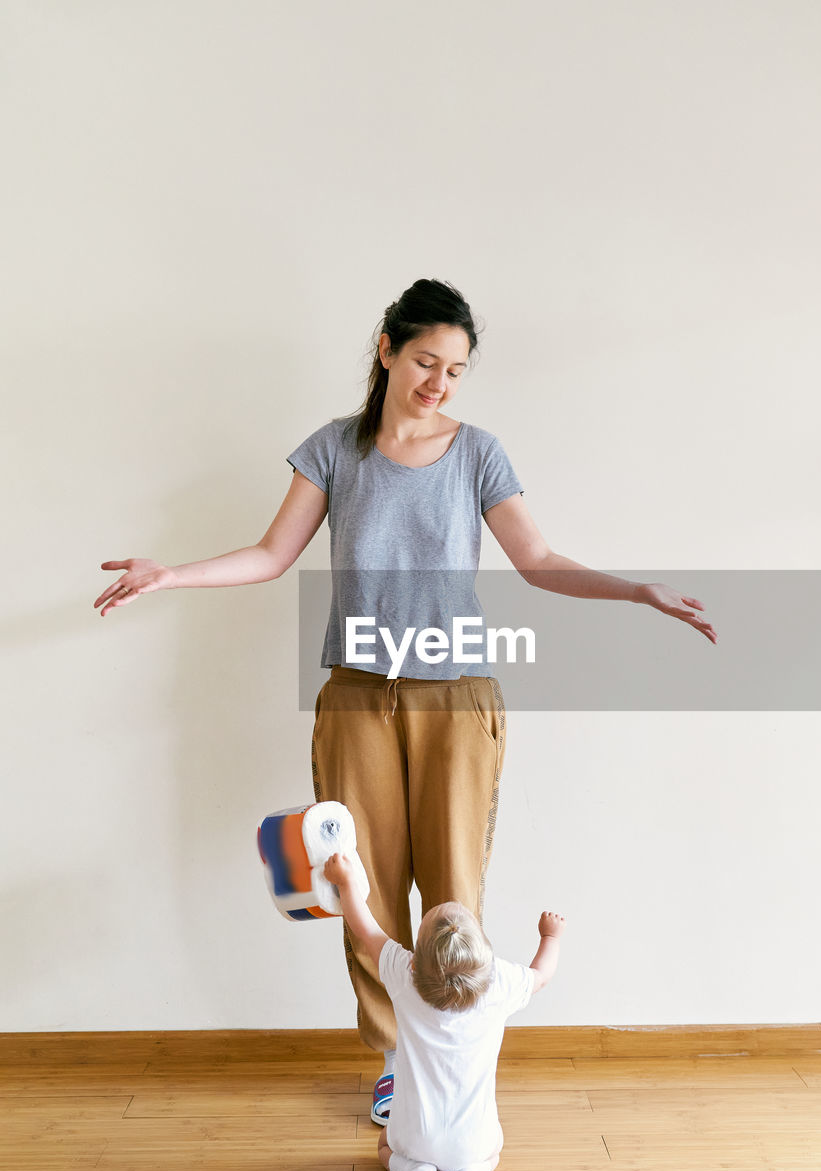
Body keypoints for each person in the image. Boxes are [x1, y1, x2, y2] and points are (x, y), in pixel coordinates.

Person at [94, 277, 716, 1125]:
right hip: (355, 698)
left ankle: (455, 1060)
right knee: (365, 888)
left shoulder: (478, 453)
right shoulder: (332, 451)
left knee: (454, 889)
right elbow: (272, 555)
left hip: (456, 697)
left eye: (456, 369)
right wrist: (172, 573)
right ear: (386, 348)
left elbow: (536, 560)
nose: (439, 382)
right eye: (426, 360)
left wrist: (636, 590)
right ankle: (395, 1062)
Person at [323, 848, 565, 1171]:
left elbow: (365, 928)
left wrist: (345, 883)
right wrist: (551, 937)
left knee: (383, 1147)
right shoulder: (499, 983)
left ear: (416, 960)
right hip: (475, 1142)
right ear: (485, 954)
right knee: (493, 1150)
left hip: (412, 1137)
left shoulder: (405, 978)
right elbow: (542, 976)